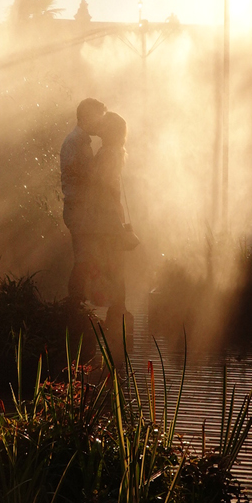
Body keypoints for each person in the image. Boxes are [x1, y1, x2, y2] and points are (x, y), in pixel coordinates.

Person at [91, 109, 137, 344]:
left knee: (111, 264)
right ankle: (119, 312)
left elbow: (103, 185)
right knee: (115, 264)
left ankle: (117, 313)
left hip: (105, 217)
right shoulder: (117, 153)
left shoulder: (107, 154)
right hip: (112, 216)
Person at [61, 97, 106, 305]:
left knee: (85, 258)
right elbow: (81, 175)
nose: (101, 123)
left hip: (80, 208)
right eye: (99, 118)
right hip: (77, 209)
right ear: (87, 117)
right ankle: (74, 305)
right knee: (82, 258)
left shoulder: (80, 141)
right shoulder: (75, 142)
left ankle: (78, 304)